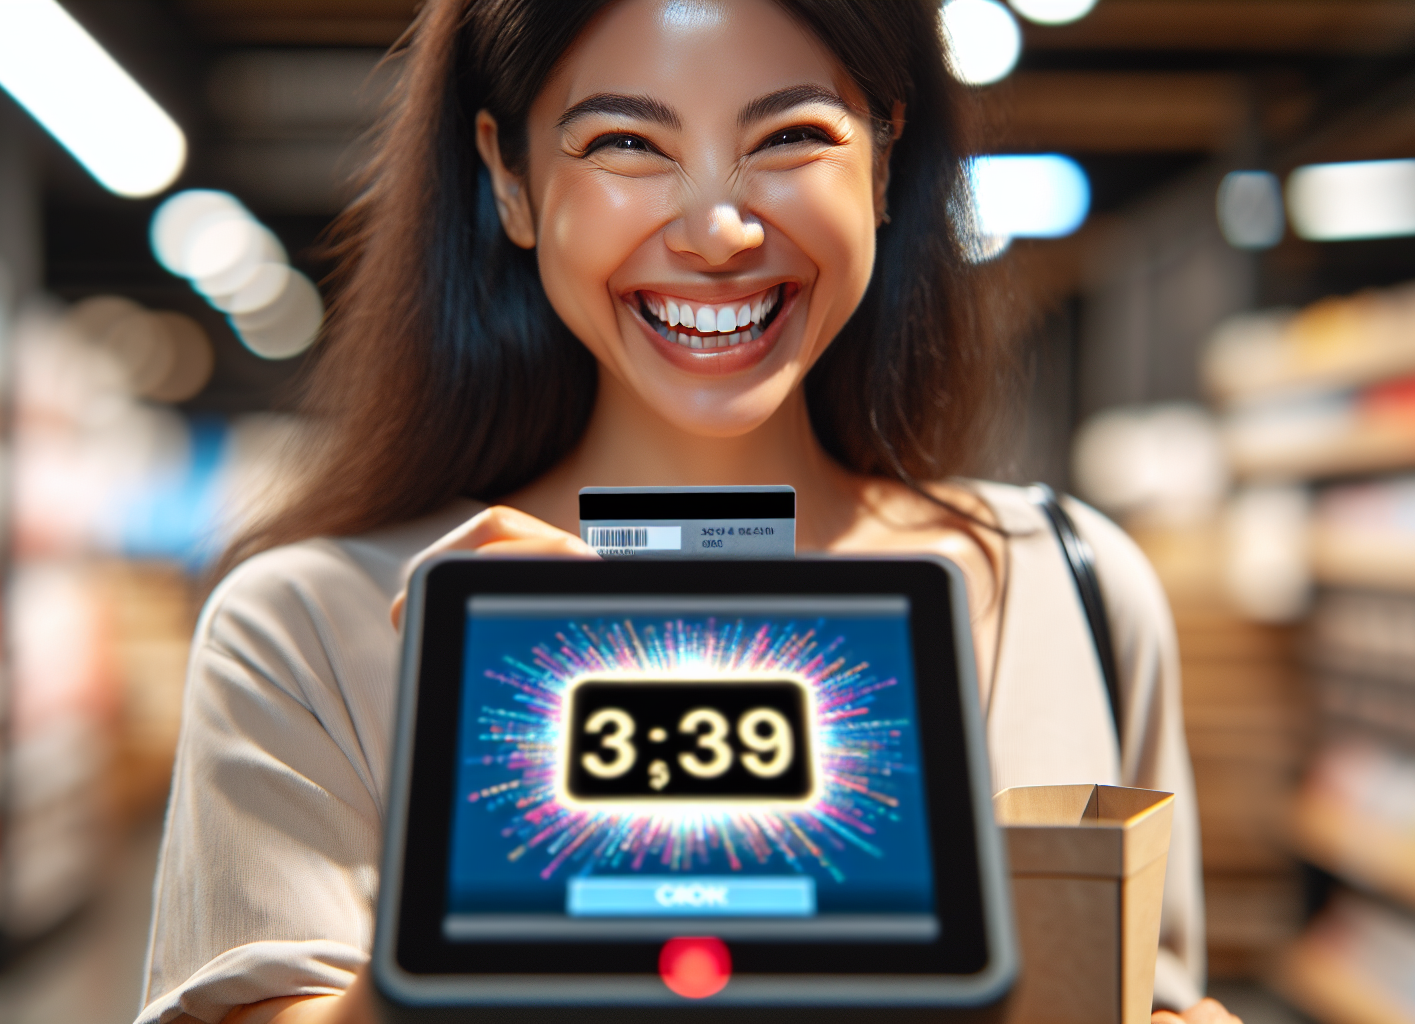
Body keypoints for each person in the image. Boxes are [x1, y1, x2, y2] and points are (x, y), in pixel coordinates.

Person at [136, 2, 1239, 1023]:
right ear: (508, 176)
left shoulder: (1069, 584)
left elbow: (1154, 994)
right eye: (625, 144)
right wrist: (495, 796)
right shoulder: (308, 634)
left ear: (886, 159)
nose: (717, 227)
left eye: (792, 136)